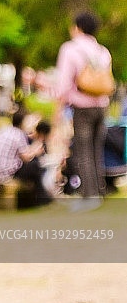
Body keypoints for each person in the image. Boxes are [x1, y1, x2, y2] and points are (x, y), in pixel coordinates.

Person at [55, 11, 112, 203]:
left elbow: (63, 83)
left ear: (77, 27)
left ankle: (89, 195)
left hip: (82, 107)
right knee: (97, 151)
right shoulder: (103, 51)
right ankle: (99, 190)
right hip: (101, 105)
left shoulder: (70, 49)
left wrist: (58, 108)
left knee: (83, 151)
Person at [0, 109, 52, 204]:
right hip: (9, 173)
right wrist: (36, 152)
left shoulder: (4, 131)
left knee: (33, 167)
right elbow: (26, 157)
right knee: (35, 166)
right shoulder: (19, 134)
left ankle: (40, 198)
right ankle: (42, 199)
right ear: (22, 122)